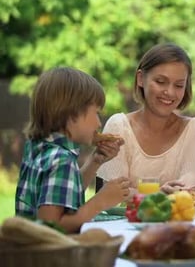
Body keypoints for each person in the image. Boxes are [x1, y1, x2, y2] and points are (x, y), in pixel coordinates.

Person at [97, 43, 195, 194]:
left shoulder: (193, 129)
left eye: (178, 85)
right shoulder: (119, 126)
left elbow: (186, 190)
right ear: (140, 79)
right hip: (126, 218)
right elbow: (113, 193)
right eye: (160, 82)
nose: (169, 92)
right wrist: (159, 195)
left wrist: (145, 195)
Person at [15, 67, 130, 233]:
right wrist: (100, 201)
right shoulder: (61, 159)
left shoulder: (39, 148)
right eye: (96, 113)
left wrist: (95, 161)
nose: (99, 123)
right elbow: (50, 227)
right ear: (72, 114)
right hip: (52, 256)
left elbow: (64, 194)